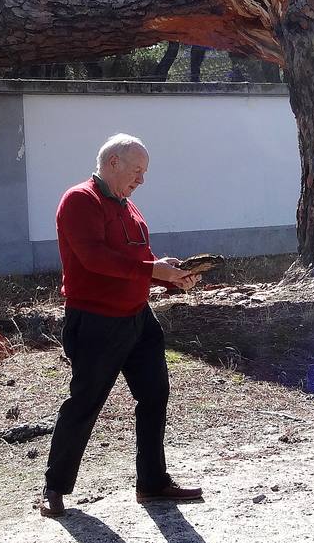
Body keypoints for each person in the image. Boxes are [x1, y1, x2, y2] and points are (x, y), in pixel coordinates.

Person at [40, 134, 204, 517]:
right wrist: (153, 270)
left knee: (154, 394)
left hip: (138, 317)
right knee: (85, 402)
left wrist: (172, 277)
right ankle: (54, 487)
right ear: (113, 162)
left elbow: (140, 260)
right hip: (96, 320)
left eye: (144, 172)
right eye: (137, 171)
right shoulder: (79, 200)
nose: (141, 180)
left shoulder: (127, 205)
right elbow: (96, 259)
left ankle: (152, 483)